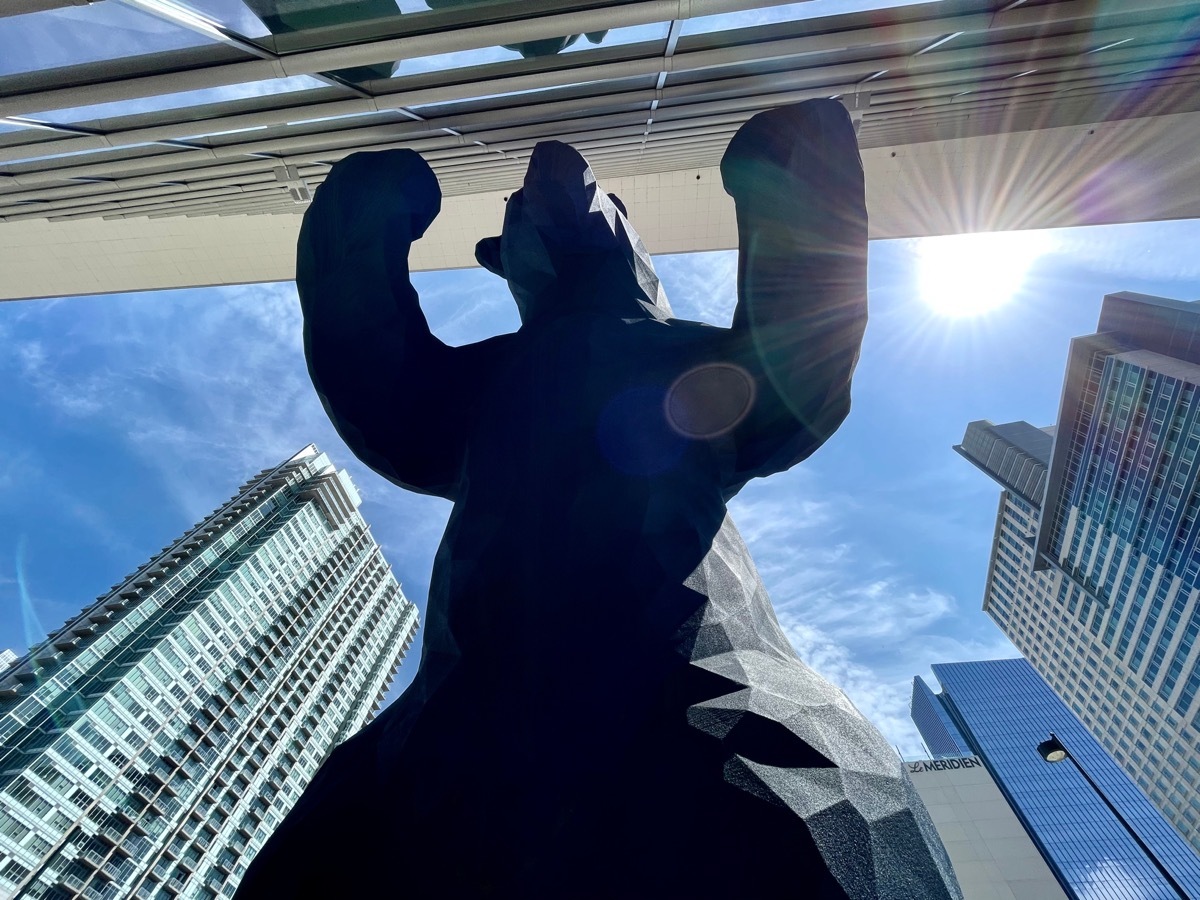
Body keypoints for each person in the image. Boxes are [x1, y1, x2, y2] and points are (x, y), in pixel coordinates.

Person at [236, 99, 960, 898]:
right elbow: (380, 389)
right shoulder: (491, 387)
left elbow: (803, 369)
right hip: (458, 734)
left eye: (605, 208)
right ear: (506, 263)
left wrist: (364, 213)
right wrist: (792, 168)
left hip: (708, 697)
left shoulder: (684, 367)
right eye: (518, 215)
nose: (543, 196)